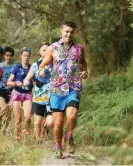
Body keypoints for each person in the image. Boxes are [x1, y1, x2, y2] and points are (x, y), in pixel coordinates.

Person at [39, 20, 88, 158]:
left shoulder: (79, 48)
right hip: (57, 90)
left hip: (74, 88)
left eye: (71, 32)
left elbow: (84, 64)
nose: (69, 34)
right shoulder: (53, 48)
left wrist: (85, 72)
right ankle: (58, 146)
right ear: (61, 31)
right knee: (58, 123)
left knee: (72, 116)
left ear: (74, 33)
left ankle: (70, 138)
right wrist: (42, 71)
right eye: (66, 31)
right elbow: (42, 65)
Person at [23, 42, 54, 144]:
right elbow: (27, 77)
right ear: (40, 53)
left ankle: (45, 130)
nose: (45, 51)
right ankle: (38, 141)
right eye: (43, 50)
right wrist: (26, 81)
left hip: (51, 97)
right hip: (38, 97)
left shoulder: (54, 63)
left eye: (47, 49)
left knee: (49, 122)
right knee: (37, 122)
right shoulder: (35, 66)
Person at [7, 47, 33, 141]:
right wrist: (15, 83)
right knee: (18, 118)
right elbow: (8, 82)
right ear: (21, 56)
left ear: (30, 57)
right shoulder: (17, 68)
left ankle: (26, 129)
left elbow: (36, 80)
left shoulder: (32, 68)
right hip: (17, 94)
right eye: (24, 55)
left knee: (28, 116)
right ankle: (17, 136)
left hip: (27, 94)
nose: (26, 57)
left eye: (28, 56)